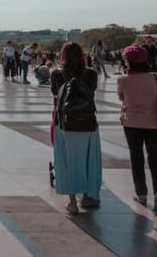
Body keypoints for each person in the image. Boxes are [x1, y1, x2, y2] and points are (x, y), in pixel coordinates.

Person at [51, 42, 101, 215]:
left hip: (65, 123)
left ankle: (72, 202)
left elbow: (55, 95)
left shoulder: (57, 74)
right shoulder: (91, 74)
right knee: (88, 159)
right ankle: (87, 195)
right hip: (88, 122)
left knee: (67, 161)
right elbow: (91, 92)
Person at [117, 45, 157, 215]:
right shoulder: (154, 78)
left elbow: (122, 97)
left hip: (132, 124)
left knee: (136, 157)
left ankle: (141, 193)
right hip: (154, 123)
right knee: (156, 159)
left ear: (128, 61)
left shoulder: (123, 80)